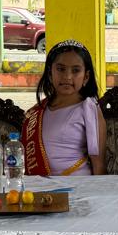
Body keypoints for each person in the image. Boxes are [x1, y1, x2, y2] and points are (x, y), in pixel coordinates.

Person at [22, 40, 106, 175]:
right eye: (61, 69)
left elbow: (98, 163)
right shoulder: (39, 109)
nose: (67, 76)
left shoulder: (88, 108)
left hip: (76, 184)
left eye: (75, 70)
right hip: (39, 185)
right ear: (50, 73)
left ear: (86, 77)